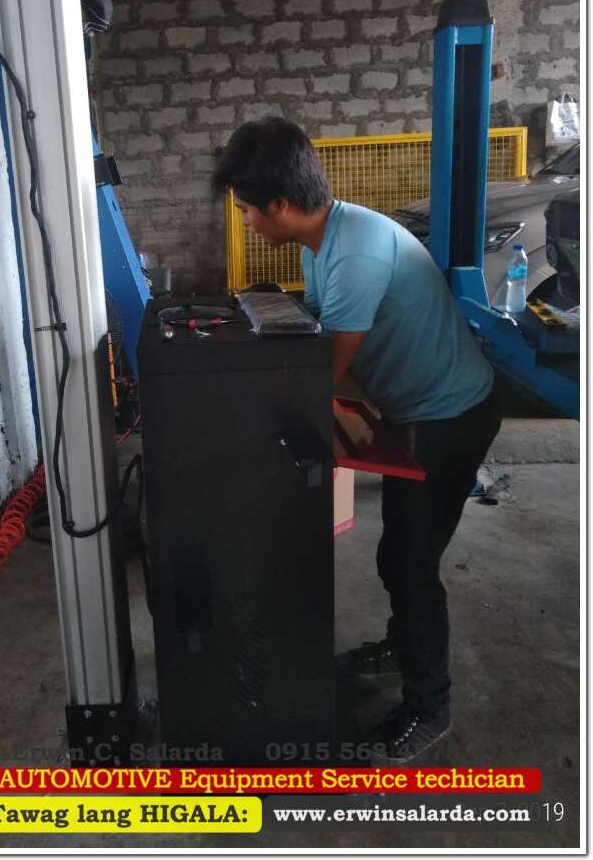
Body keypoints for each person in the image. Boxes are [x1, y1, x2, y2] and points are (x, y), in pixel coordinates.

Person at [212, 117, 502, 762]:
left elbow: (325, 371)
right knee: (400, 552)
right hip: (415, 409)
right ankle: (402, 648)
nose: (247, 222)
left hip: (447, 416)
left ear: (280, 204)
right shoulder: (326, 239)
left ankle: (429, 705)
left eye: (247, 210)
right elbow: (314, 331)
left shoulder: (357, 252)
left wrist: (246, 420)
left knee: (409, 562)